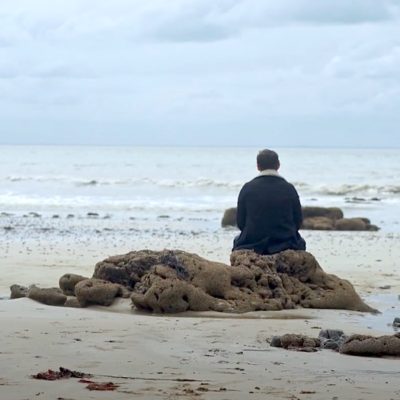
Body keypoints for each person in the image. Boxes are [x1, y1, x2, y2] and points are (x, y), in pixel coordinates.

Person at [233, 149, 306, 255]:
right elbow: (298, 221)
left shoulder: (248, 188)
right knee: (301, 242)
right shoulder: (289, 188)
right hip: (285, 243)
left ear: (258, 166)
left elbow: (240, 222)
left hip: (253, 243)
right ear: (278, 165)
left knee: (237, 240)